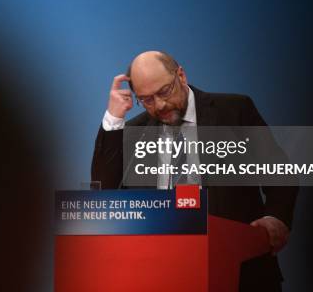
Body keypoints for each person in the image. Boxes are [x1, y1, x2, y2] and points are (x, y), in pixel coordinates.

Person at [92, 51, 298, 292]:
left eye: (164, 92)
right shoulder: (135, 131)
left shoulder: (234, 111)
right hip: (162, 276)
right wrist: (114, 118)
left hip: (238, 274)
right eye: (146, 99)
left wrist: (276, 217)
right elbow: (102, 190)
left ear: (181, 75)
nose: (159, 105)